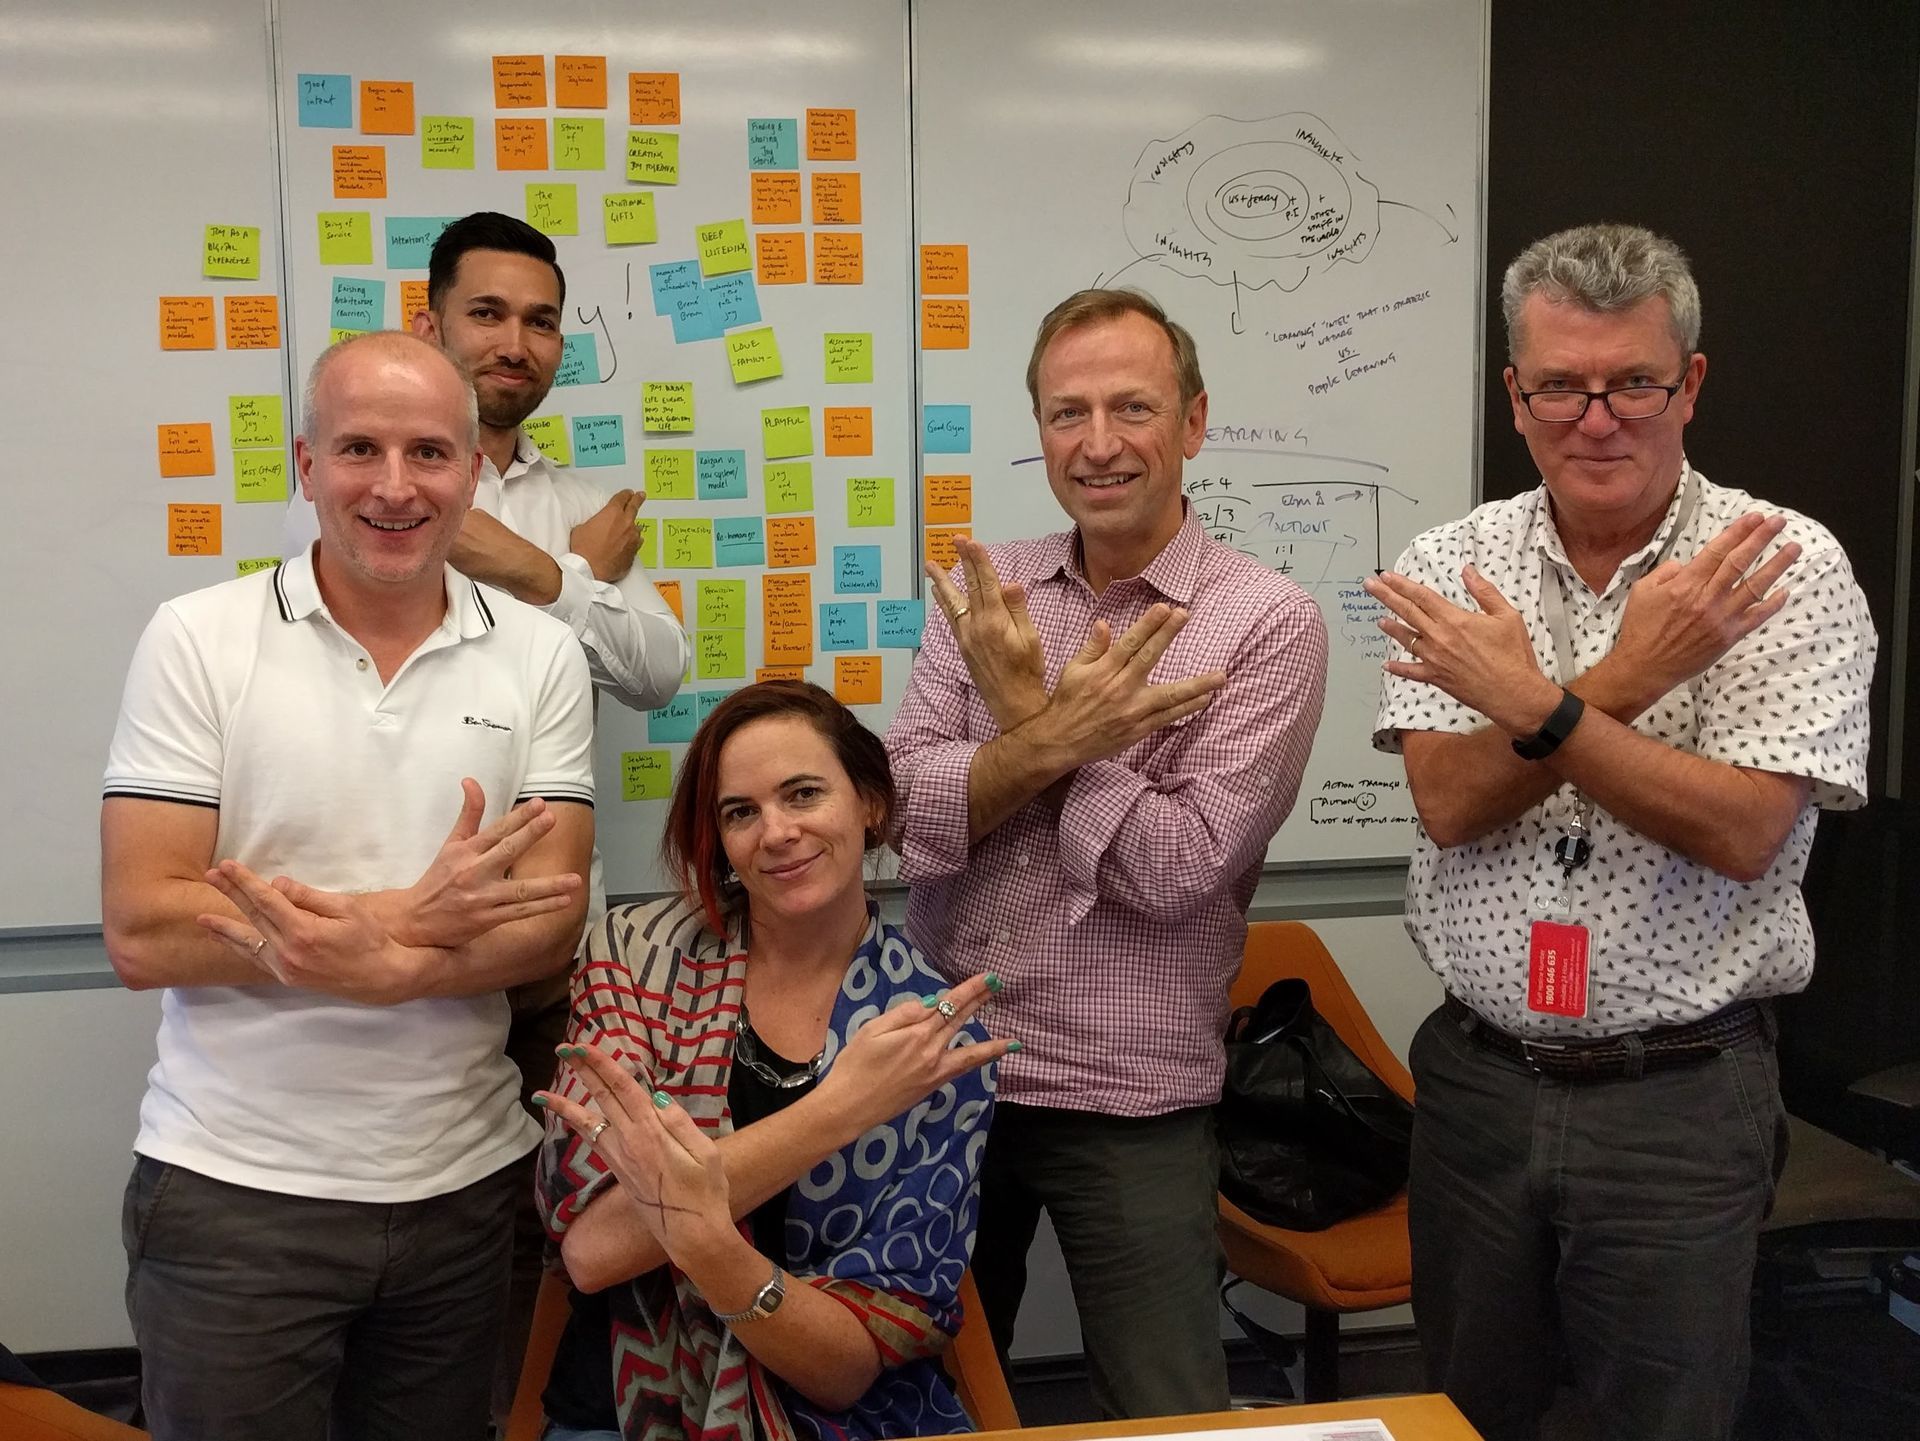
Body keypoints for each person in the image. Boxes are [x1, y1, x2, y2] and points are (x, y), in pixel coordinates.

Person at [1366, 223, 1876, 1441]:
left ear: (1688, 383)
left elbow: (1747, 828)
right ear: (1516, 394)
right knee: (1465, 1413)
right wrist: (1631, 676)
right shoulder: (1453, 562)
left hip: (1681, 1099)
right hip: (1479, 1083)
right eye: (1561, 386)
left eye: (1633, 382)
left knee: (1663, 1421)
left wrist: (1543, 704)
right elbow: (1450, 800)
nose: (1598, 419)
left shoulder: (1783, 566)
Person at [101, 331, 597, 1441]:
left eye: (429, 452)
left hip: (463, 1192)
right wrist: (403, 925)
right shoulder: (198, 639)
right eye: (359, 447)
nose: (393, 484)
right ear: (305, 463)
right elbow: (141, 924)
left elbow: (551, 917)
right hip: (236, 1195)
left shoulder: (540, 656)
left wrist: (356, 955)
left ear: (473, 474)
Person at [884, 288, 1328, 1418]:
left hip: (1128, 1088)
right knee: (923, 1393)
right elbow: (907, 805)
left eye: (1132, 406)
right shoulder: (989, 589)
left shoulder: (1264, 621)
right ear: (1037, 428)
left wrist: (1028, 717)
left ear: (1193, 421)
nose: (1098, 442)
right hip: (945, 1065)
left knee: (1163, 1406)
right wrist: (1065, 743)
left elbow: (1177, 864)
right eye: (1066, 411)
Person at [282, 211, 691, 1413]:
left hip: (552, 948)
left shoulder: (572, 504)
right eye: (489, 313)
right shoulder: (359, 480)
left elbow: (658, 667)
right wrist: (578, 577)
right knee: (361, 1221)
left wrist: (531, 567)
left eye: (541, 320)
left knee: (534, 1227)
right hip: (371, 923)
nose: (517, 341)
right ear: (432, 322)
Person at [534, 682, 1011, 1441]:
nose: (777, 831)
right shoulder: (635, 954)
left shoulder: (930, 1034)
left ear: (871, 804)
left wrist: (701, 1240)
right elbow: (594, 1248)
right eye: (740, 811)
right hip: (631, 1405)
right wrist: (840, 1108)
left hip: (833, 1418)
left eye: (803, 793)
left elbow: (847, 1367)